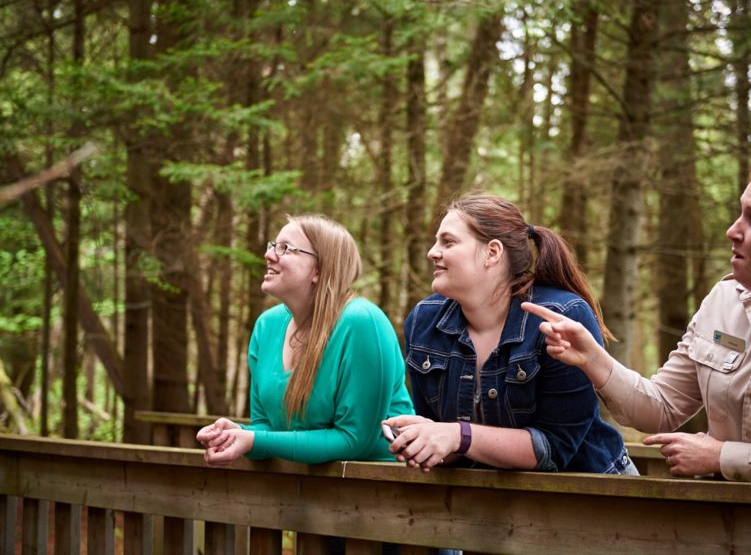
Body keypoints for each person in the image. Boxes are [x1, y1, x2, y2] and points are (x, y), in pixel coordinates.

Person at [523, 153, 751, 485]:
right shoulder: (725, 300)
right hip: (729, 528)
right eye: (740, 213)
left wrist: (720, 457)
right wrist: (593, 359)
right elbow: (662, 407)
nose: (732, 231)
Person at [383, 194, 636, 475]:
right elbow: (447, 439)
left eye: (448, 242)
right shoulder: (424, 321)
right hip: (486, 502)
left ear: (492, 253)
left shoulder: (560, 317)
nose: (432, 251)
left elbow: (553, 449)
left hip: (595, 499)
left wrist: (457, 436)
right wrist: (425, 441)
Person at [197, 214, 414, 465]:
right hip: (298, 494)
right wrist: (236, 434)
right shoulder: (267, 326)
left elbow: (354, 440)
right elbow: (265, 428)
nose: (269, 255)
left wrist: (255, 439)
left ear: (319, 270)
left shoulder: (362, 322)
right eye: (272, 245)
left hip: (380, 491)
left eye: (285, 248)